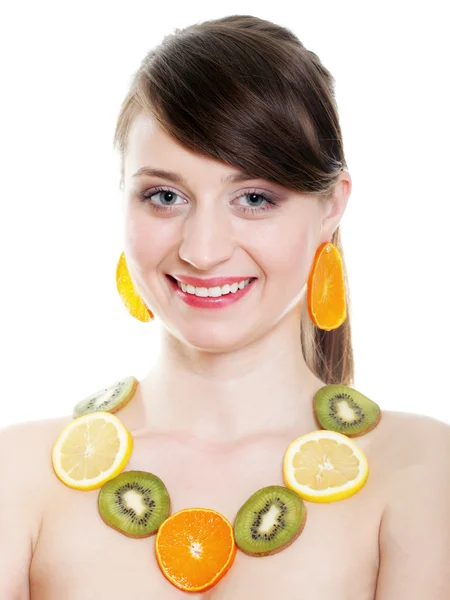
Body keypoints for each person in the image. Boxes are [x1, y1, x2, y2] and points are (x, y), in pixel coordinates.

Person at [2, 14, 449, 600]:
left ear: (332, 207)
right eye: (165, 196)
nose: (202, 251)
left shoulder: (423, 472)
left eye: (255, 198)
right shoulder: (17, 473)